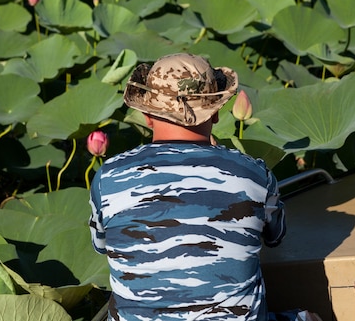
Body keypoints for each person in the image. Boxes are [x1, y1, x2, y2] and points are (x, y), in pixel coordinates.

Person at [89, 53, 286, 321]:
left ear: (147, 115)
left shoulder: (108, 177)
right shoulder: (254, 174)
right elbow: (276, 236)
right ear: (215, 112)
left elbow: (101, 245)